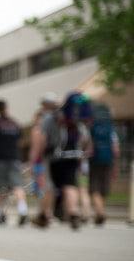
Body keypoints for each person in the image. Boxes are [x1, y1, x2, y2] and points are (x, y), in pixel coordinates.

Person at [40, 91, 92, 230]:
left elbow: (43, 139)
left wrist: (36, 156)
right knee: (70, 185)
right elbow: (85, 138)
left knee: (51, 186)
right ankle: (73, 212)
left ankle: (44, 215)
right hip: (74, 156)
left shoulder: (52, 118)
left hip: (55, 157)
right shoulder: (79, 118)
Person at [0, 99, 28, 226]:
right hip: (14, 158)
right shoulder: (14, 123)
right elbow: (22, 141)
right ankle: (23, 210)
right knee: (17, 186)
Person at [29, 92, 59, 226]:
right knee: (49, 188)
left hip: (42, 161)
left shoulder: (40, 127)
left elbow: (37, 146)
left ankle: (44, 214)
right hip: (58, 158)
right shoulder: (58, 120)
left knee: (43, 188)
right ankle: (49, 213)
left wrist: (32, 161)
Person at [88, 102, 120, 226]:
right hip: (108, 160)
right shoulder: (111, 129)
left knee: (94, 188)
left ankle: (100, 212)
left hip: (95, 160)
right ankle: (100, 212)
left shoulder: (92, 127)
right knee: (104, 188)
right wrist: (116, 164)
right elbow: (116, 148)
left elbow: (89, 145)